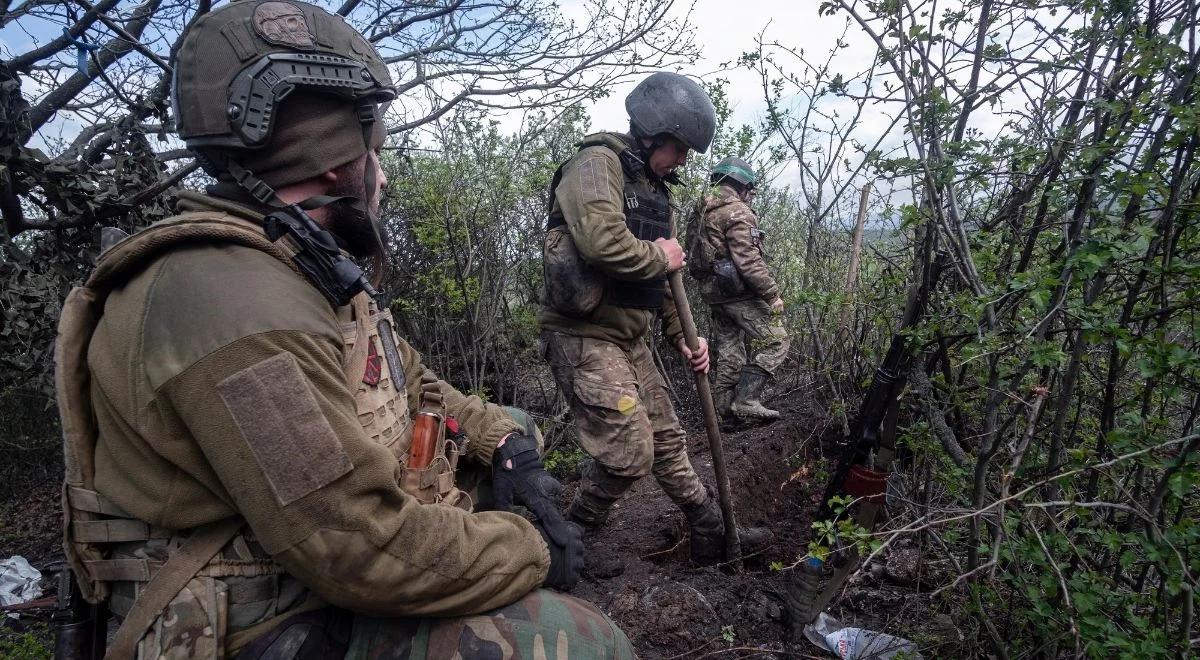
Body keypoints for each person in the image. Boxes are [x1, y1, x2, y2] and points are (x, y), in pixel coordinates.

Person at [53, 2, 633, 657]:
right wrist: (531, 551)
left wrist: (502, 441)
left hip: (303, 569)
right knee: (588, 643)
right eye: (374, 152)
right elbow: (359, 549)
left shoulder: (293, 264)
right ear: (332, 158)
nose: (381, 176)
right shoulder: (237, 306)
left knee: (515, 427)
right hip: (255, 625)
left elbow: (410, 378)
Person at [538, 72, 766, 566]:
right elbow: (602, 242)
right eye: (680, 147)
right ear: (653, 131)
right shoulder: (597, 165)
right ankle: (571, 537)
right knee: (629, 450)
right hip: (583, 335)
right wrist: (662, 258)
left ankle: (709, 527)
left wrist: (684, 336)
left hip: (629, 337)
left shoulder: (654, 188)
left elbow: (662, 280)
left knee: (667, 437)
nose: (683, 160)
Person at [695, 157, 790, 424]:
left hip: (713, 293)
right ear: (743, 185)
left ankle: (724, 414)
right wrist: (772, 294)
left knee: (730, 353)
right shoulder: (737, 211)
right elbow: (748, 260)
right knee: (778, 340)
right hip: (736, 293)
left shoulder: (702, 209)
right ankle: (746, 400)